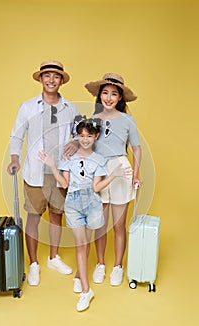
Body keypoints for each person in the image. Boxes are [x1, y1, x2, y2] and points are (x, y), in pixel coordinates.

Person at [38, 116, 132, 311]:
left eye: (89, 136)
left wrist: (114, 175)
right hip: (73, 205)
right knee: (80, 244)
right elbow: (64, 184)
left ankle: (80, 278)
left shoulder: (99, 160)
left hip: (92, 204)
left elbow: (97, 187)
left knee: (85, 243)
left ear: (96, 136)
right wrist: (52, 166)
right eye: (81, 136)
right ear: (76, 136)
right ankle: (86, 291)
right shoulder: (68, 158)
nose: (85, 139)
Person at [7, 60, 80, 286]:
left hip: (59, 172)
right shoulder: (28, 107)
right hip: (35, 172)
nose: (51, 80)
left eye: (55, 76)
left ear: (61, 81)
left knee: (57, 216)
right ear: (40, 79)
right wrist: (15, 159)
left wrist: (76, 143)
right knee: (34, 217)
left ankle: (54, 257)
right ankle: (33, 264)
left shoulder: (70, 109)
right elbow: (16, 136)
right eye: (46, 76)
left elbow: (81, 134)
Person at [84, 72, 143, 286]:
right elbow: (86, 146)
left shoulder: (128, 120)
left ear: (120, 98)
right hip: (99, 171)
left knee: (119, 225)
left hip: (120, 169)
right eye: (105, 93)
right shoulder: (93, 120)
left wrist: (135, 175)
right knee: (100, 223)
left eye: (114, 94)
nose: (109, 98)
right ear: (99, 96)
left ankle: (118, 266)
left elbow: (136, 149)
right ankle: (100, 263)